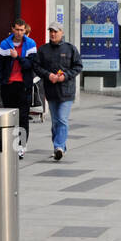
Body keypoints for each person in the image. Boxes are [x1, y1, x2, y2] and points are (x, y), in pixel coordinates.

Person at [35, 22, 85, 160]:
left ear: (62, 32)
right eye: (51, 31)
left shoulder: (70, 49)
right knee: (55, 122)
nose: (53, 34)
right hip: (51, 91)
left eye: (55, 31)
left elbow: (78, 66)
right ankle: (60, 147)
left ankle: (59, 147)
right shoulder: (43, 50)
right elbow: (37, 67)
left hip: (66, 91)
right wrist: (48, 75)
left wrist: (65, 76)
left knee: (62, 119)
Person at [0, 17, 37, 159]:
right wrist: (2, 81)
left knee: (23, 117)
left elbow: (31, 65)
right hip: (8, 85)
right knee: (8, 117)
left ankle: (21, 146)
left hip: (23, 85)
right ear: (12, 29)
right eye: (17, 30)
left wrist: (18, 57)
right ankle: (9, 145)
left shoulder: (30, 44)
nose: (19, 33)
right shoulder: (4, 45)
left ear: (25, 30)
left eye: (22, 30)